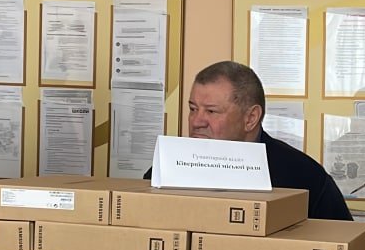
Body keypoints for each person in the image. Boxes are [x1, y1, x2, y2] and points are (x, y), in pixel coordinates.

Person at [148, 60, 351, 221]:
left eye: (211, 111)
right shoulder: (166, 168)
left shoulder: (304, 178)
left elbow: (341, 249)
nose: (196, 121)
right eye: (193, 109)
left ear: (250, 118)